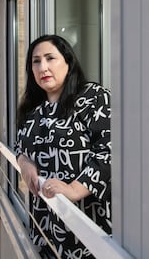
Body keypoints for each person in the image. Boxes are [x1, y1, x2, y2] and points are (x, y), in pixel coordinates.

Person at [14, 34, 111, 259]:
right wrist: (24, 162)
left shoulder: (94, 98)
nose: (43, 67)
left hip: (89, 233)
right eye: (36, 61)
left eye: (50, 58)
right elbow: (21, 143)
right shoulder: (33, 109)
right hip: (45, 229)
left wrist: (74, 190)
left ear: (68, 62)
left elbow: (109, 151)